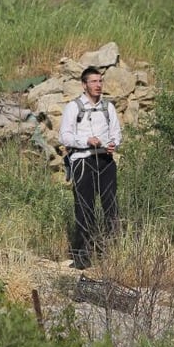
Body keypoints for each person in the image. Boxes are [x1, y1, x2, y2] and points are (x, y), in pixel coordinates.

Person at [59, 67, 122, 270]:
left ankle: (110, 255)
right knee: (84, 209)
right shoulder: (73, 107)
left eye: (100, 81)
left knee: (111, 208)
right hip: (83, 161)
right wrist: (86, 140)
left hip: (105, 160)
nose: (98, 85)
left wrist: (113, 143)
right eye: (94, 81)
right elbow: (64, 137)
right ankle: (82, 259)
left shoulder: (108, 107)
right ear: (84, 85)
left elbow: (117, 133)